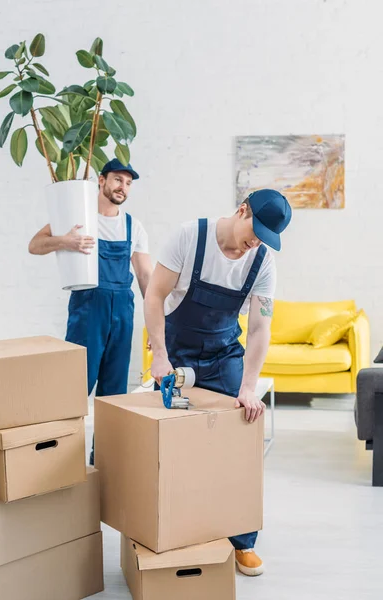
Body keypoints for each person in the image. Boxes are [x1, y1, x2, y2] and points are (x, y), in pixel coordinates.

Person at [144, 189, 292, 576]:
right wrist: (159, 356)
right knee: (177, 448)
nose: (254, 243)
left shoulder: (262, 262)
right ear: (241, 209)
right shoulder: (189, 237)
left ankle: (242, 542)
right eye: (254, 231)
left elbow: (260, 328)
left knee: (239, 444)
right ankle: (175, 532)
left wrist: (248, 387)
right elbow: (155, 295)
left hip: (225, 355)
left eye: (263, 239)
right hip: (177, 355)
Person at [29, 159, 152, 465]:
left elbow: (145, 277)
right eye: (117, 180)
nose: (122, 187)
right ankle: (60, 460)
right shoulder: (80, 217)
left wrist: (155, 324)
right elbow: (35, 245)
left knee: (114, 392)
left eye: (128, 183)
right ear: (101, 180)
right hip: (88, 311)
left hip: (123, 312)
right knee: (75, 387)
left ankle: (105, 460)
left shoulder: (133, 226)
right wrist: (65, 240)